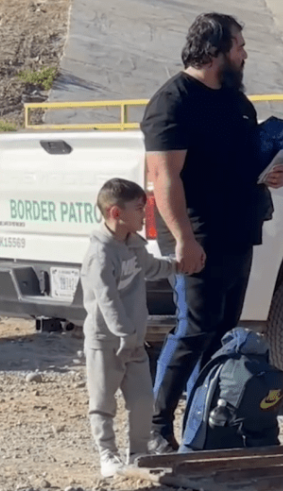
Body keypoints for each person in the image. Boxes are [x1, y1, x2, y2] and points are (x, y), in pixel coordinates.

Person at [141, 12, 283, 453]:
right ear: (214, 51)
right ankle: (155, 427)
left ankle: (202, 426)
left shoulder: (236, 102)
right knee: (194, 330)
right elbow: (165, 177)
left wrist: (272, 174)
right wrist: (184, 240)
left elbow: (244, 162)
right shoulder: (173, 102)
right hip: (198, 236)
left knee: (223, 330)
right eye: (238, 45)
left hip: (239, 233)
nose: (244, 54)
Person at [80, 178, 178, 478]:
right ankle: (107, 455)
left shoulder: (134, 245)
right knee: (103, 401)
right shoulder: (100, 254)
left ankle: (138, 453)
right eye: (139, 209)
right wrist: (123, 333)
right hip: (106, 341)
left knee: (142, 400)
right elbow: (106, 299)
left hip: (134, 340)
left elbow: (151, 267)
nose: (144, 215)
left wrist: (177, 264)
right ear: (115, 213)